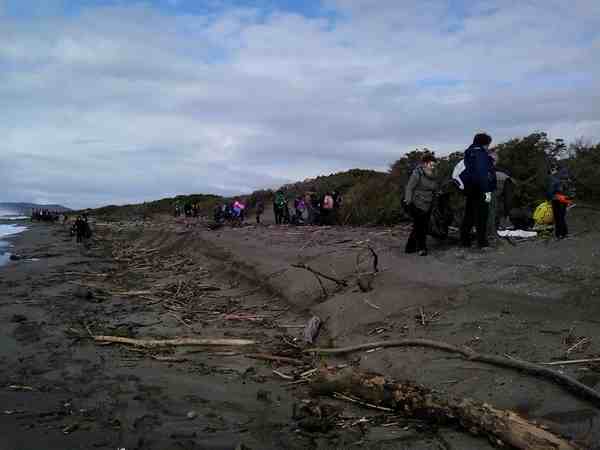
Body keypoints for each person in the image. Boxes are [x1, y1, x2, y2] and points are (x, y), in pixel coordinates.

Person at [460, 133, 496, 249]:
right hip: (482, 189)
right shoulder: (480, 154)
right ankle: (482, 242)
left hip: (470, 187)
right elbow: (482, 173)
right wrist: (487, 192)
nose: (488, 147)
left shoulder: (469, 152)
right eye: (488, 144)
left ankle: (464, 241)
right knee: (482, 215)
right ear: (484, 143)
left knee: (469, 214)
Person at [403, 155, 438, 256]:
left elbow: (434, 188)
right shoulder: (417, 173)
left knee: (422, 226)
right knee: (419, 226)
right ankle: (422, 248)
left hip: (428, 203)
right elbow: (409, 188)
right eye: (431, 164)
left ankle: (410, 247)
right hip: (416, 203)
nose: (433, 166)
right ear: (425, 164)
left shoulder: (434, 174)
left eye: (434, 165)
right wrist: (408, 201)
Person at [547, 165, 570, 239]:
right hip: (565, 199)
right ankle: (564, 233)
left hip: (557, 199)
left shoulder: (554, 178)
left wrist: (549, 198)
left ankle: (559, 234)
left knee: (558, 217)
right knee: (561, 217)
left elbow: (551, 190)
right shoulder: (566, 177)